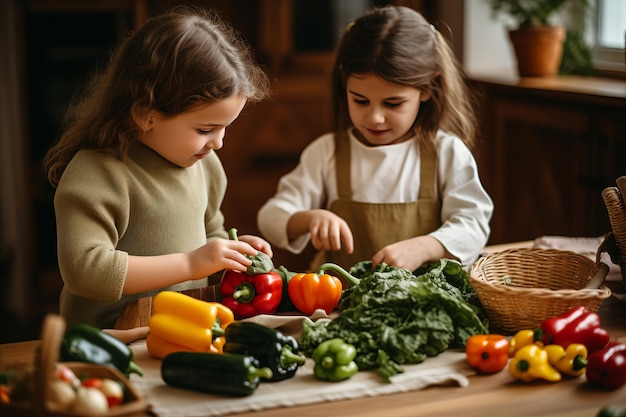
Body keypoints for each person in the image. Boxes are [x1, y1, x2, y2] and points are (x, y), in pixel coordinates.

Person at [43, 6, 272, 330]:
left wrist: (234, 253)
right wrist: (191, 263)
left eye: (225, 128)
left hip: (176, 331)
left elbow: (210, 233)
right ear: (145, 115)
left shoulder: (206, 166)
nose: (218, 143)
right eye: (205, 129)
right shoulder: (98, 173)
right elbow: (85, 271)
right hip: (105, 343)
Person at [257, 6, 493, 272]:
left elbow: (473, 223)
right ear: (344, 81)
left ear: (427, 89)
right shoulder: (327, 152)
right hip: (341, 304)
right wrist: (310, 218)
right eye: (360, 100)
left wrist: (426, 246)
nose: (375, 117)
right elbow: (271, 216)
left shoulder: (446, 152)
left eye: (393, 103)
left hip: (425, 303)